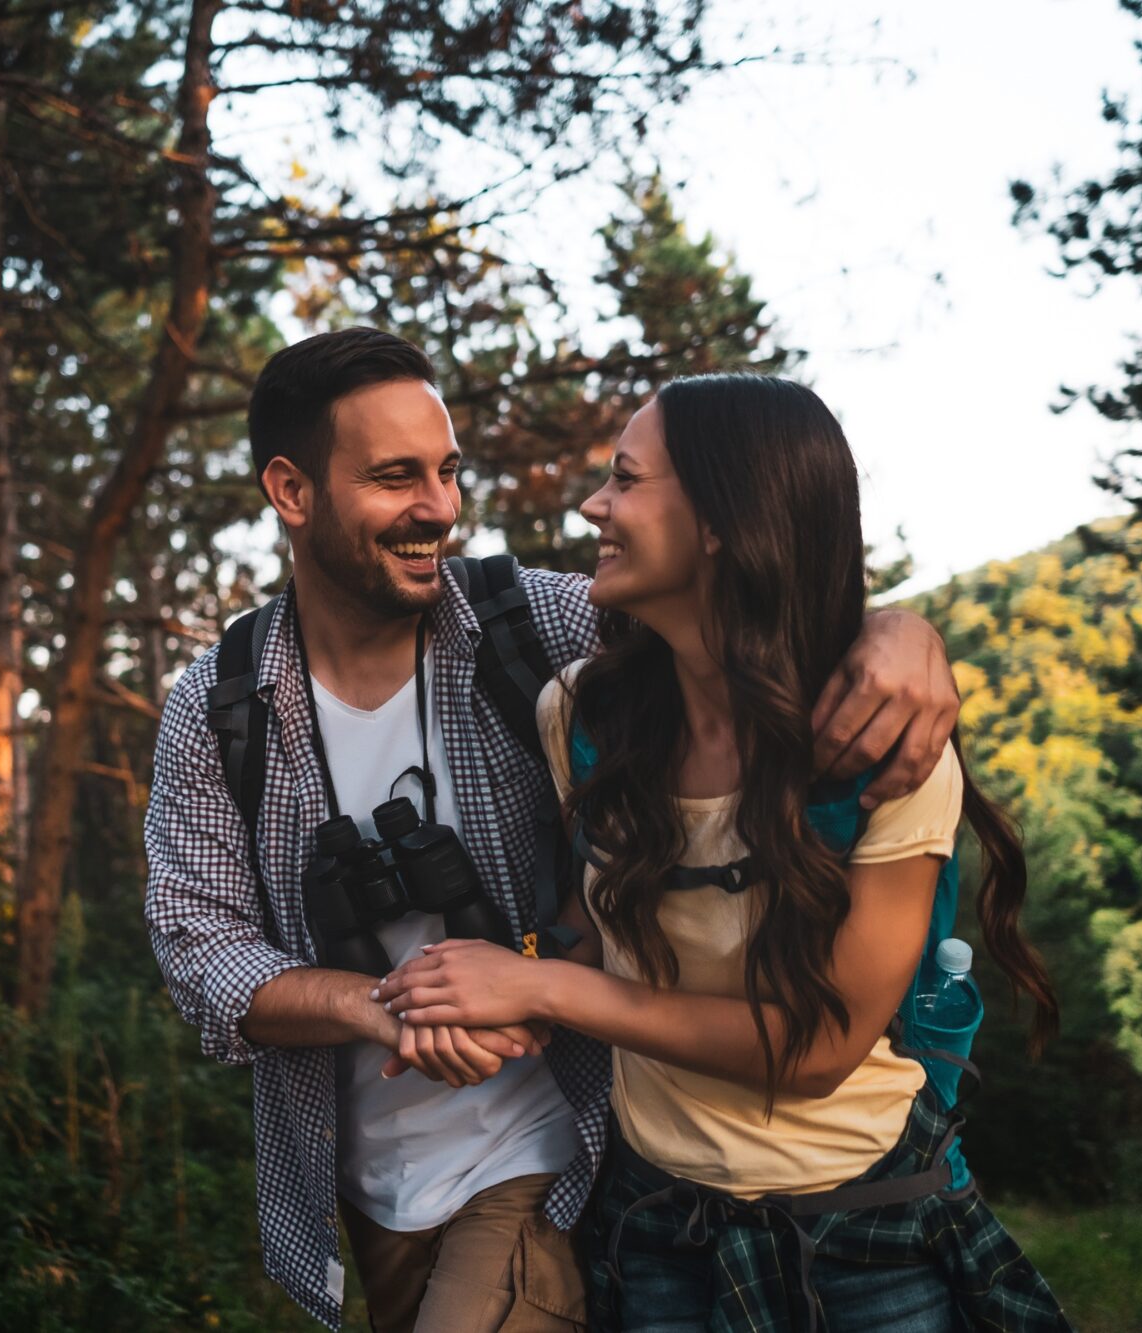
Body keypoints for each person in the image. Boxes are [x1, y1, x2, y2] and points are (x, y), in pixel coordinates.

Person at [145, 332, 962, 1331]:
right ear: (291, 489)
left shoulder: (534, 626)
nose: (438, 508)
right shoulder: (219, 707)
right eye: (395, 477)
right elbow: (196, 943)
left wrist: (899, 633)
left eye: (446, 472)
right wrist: (377, 1006)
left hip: (547, 1150)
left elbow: (747, 598)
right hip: (361, 1183)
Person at [376, 374, 1071, 1330]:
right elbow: (591, 929)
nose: (594, 505)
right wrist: (483, 991)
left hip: (867, 1229)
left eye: (625, 480)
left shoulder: (885, 748)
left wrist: (542, 989)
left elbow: (818, 1049)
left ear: (719, 519)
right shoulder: (582, 714)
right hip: (659, 1226)